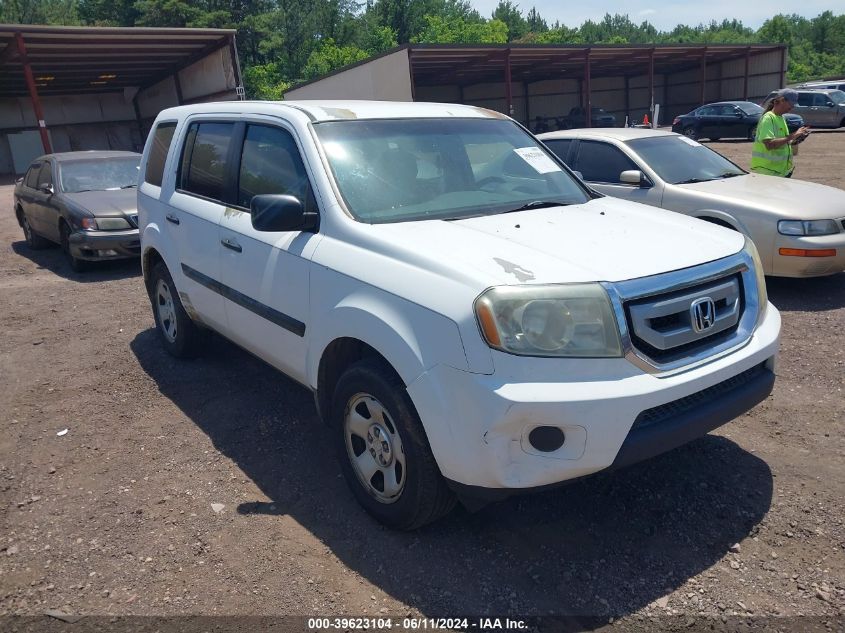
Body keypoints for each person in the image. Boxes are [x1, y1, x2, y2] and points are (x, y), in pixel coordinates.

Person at [750, 88, 810, 177]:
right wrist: (792, 136)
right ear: (782, 100)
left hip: (779, 172)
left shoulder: (781, 118)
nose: (792, 107)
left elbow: (783, 143)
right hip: (767, 172)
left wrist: (796, 140)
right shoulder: (768, 118)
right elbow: (769, 145)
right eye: (791, 104)